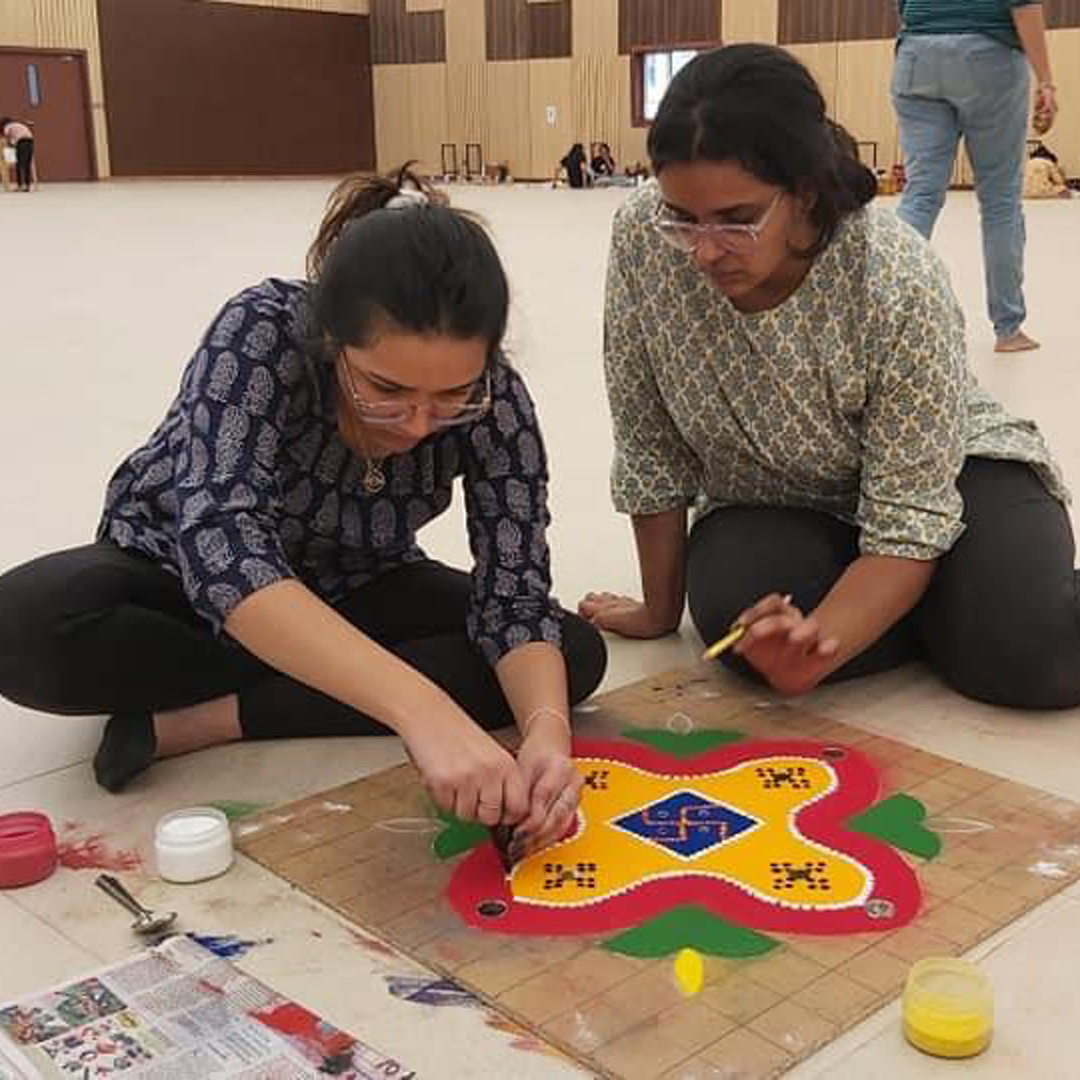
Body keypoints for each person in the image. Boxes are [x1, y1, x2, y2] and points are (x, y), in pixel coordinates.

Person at [0, 167, 607, 856]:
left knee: (569, 654)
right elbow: (225, 551)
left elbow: (514, 596)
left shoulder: (498, 402)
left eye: (451, 397)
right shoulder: (261, 332)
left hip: (354, 580)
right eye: (385, 389)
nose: (415, 425)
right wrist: (422, 708)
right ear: (330, 339)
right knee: (25, 625)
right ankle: (340, 679)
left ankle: (212, 719)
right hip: (180, 579)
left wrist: (548, 737)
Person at [580, 45, 1080, 711]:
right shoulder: (643, 235)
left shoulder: (894, 276)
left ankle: (962, 599)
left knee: (1028, 658)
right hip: (779, 500)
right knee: (742, 626)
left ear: (805, 191)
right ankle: (942, 603)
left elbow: (909, 515)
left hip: (950, 475)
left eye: (737, 219)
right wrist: (659, 610)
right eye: (682, 218)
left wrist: (833, 634)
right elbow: (648, 433)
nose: (701, 249)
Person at [891, 1, 1059, 353]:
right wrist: (1046, 82)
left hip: (916, 56)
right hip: (988, 56)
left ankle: (883, 316)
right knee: (1000, 202)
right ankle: (1008, 328)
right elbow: (1024, 6)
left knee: (919, 196)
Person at [1, 117, 34, 192]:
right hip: (30, 141)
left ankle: (20, 185)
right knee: (27, 164)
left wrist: (7, 148)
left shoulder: (7, 126)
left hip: (22, 142)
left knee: (19, 164)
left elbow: (6, 137)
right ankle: (27, 185)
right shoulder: (19, 124)